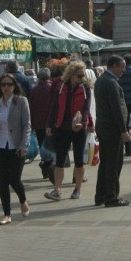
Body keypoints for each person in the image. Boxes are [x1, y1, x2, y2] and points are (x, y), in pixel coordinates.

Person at [0, 73, 31, 225]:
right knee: (3, 181)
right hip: (0, 144)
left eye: (9, 84)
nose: (6, 87)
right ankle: (7, 214)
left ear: (14, 86)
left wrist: (24, 145)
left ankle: (23, 201)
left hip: (16, 146)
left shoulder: (21, 101)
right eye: (3, 84)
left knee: (14, 179)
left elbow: (26, 125)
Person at [45, 62, 93, 201]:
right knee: (59, 160)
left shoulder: (85, 88)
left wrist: (82, 123)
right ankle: (57, 190)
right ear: (71, 74)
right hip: (62, 127)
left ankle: (77, 189)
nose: (82, 78)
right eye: (79, 75)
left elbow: (86, 108)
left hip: (79, 129)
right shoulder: (61, 86)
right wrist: (49, 124)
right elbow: (54, 106)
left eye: (83, 75)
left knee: (79, 160)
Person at [94, 55, 130, 207]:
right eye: (122, 67)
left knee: (105, 163)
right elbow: (117, 108)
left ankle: (100, 195)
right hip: (112, 128)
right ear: (113, 66)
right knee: (114, 163)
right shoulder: (111, 83)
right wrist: (123, 130)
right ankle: (111, 196)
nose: (124, 70)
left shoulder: (101, 81)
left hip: (103, 126)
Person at [29, 67, 54, 179]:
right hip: (50, 123)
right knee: (51, 147)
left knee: (42, 145)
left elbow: (32, 107)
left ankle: (45, 163)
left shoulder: (34, 90)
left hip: (38, 123)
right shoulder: (52, 88)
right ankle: (47, 165)